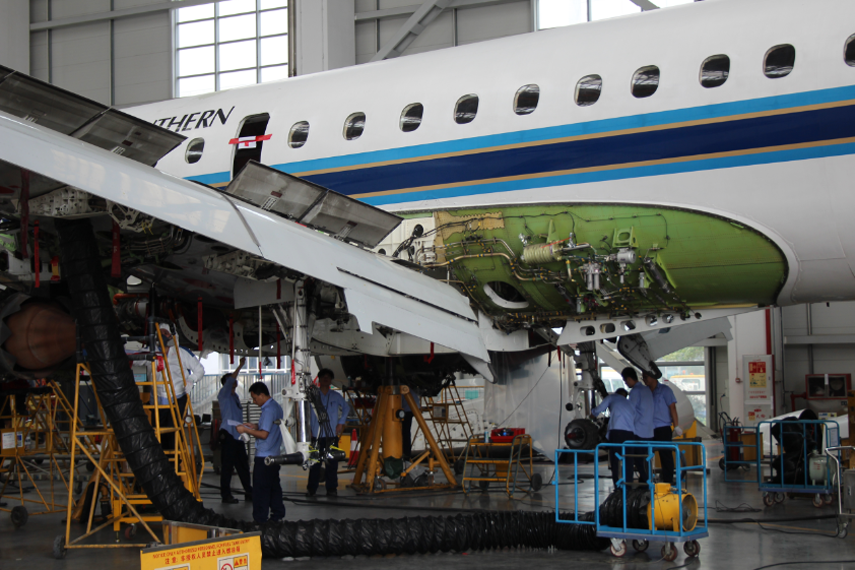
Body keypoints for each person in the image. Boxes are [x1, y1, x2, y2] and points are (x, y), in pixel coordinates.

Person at [237, 382, 285, 523]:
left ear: (262, 395)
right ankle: (277, 514)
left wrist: (246, 430)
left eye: (254, 398)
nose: (253, 401)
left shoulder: (268, 409)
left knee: (260, 489)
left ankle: (260, 520)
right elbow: (267, 427)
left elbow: (264, 434)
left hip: (264, 456)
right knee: (274, 486)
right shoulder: (275, 406)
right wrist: (254, 426)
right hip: (275, 454)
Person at [157, 324, 205, 451]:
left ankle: (175, 464)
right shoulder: (152, 352)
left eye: (166, 333)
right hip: (158, 400)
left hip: (177, 397)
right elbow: (135, 358)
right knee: (158, 433)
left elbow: (199, 370)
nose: (163, 336)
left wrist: (191, 380)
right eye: (161, 333)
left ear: (172, 335)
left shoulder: (182, 353)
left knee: (173, 432)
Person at [307, 368, 351, 497]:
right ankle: (311, 488)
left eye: (328, 377)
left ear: (331, 380)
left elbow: (346, 408)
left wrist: (341, 422)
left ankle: (331, 488)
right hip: (316, 435)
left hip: (331, 435)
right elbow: (308, 413)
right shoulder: (313, 396)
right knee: (315, 464)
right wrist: (308, 429)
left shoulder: (336, 396)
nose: (326, 379)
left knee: (332, 464)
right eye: (323, 377)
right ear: (319, 379)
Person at [217, 357, 252, 504]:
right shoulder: (224, 395)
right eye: (232, 383)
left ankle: (249, 492)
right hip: (228, 433)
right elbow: (231, 380)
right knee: (227, 466)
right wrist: (240, 365)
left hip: (237, 435)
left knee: (242, 465)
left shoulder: (235, 396)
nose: (234, 384)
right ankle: (226, 495)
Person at [591, 388, 635, 487]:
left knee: (615, 459)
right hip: (630, 433)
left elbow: (598, 410)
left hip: (617, 432)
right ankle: (628, 485)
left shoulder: (612, 397)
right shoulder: (630, 403)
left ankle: (617, 485)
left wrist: (591, 415)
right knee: (629, 460)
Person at [644, 371, 681, 484]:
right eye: (643, 376)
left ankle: (668, 481)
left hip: (663, 428)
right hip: (649, 428)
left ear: (653, 377)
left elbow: (672, 408)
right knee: (646, 454)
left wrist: (676, 426)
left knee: (666, 455)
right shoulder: (645, 392)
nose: (644, 378)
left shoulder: (665, 390)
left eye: (646, 376)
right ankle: (647, 480)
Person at [621, 367, 654, 484]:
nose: (626, 383)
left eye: (625, 381)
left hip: (639, 431)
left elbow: (631, 411)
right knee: (647, 459)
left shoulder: (635, 392)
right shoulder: (647, 390)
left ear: (629, 379)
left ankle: (646, 482)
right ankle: (647, 480)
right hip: (649, 431)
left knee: (639, 460)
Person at [401, 383, 420, 460]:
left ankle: (406, 453)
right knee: (406, 432)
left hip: (407, 411)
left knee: (404, 432)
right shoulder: (407, 389)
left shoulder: (400, 390)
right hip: (412, 410)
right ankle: (406, 453)